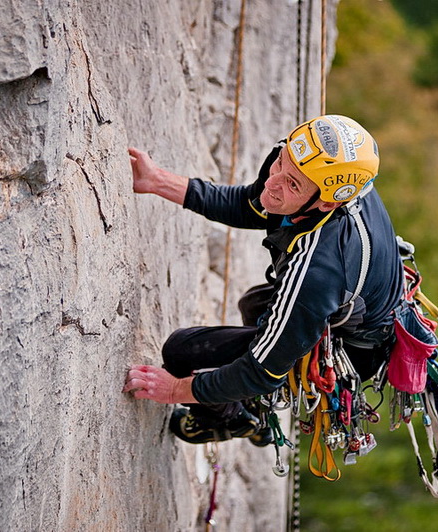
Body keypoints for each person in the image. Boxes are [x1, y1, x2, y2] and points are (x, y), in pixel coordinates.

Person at [122, 115, 404, 445]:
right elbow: (253, 206)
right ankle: (243, 403)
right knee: (254, 304)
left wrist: (173, 389)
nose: (273, 183)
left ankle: (231, 420)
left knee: (183, 355)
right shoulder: (314, 171)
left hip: (355, 346)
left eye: (292, 184)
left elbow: (261, 370)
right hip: (354, 300)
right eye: (280, 164)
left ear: (328, 202)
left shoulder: (317, 269)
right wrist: (157, 181)